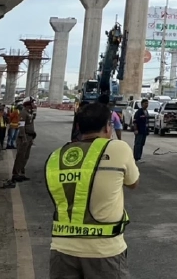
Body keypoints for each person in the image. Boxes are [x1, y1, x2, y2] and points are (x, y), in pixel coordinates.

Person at [46, 102, 139, 279]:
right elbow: (133, 183)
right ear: (107, 127)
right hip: (104, 251)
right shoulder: (118, 148)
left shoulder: (57, 155)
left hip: (62, 250)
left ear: (79, 127)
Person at [10, 97, 36, 184]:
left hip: (29, 137)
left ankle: (21, 173)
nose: (34, 104)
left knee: (25, 156)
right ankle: (16, 174)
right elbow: (21, 126)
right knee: (20, 156)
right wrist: (24, 137)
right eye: (32, 103)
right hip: (24, 137)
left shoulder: (30, 113)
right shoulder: (23, 113)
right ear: (28, 104)